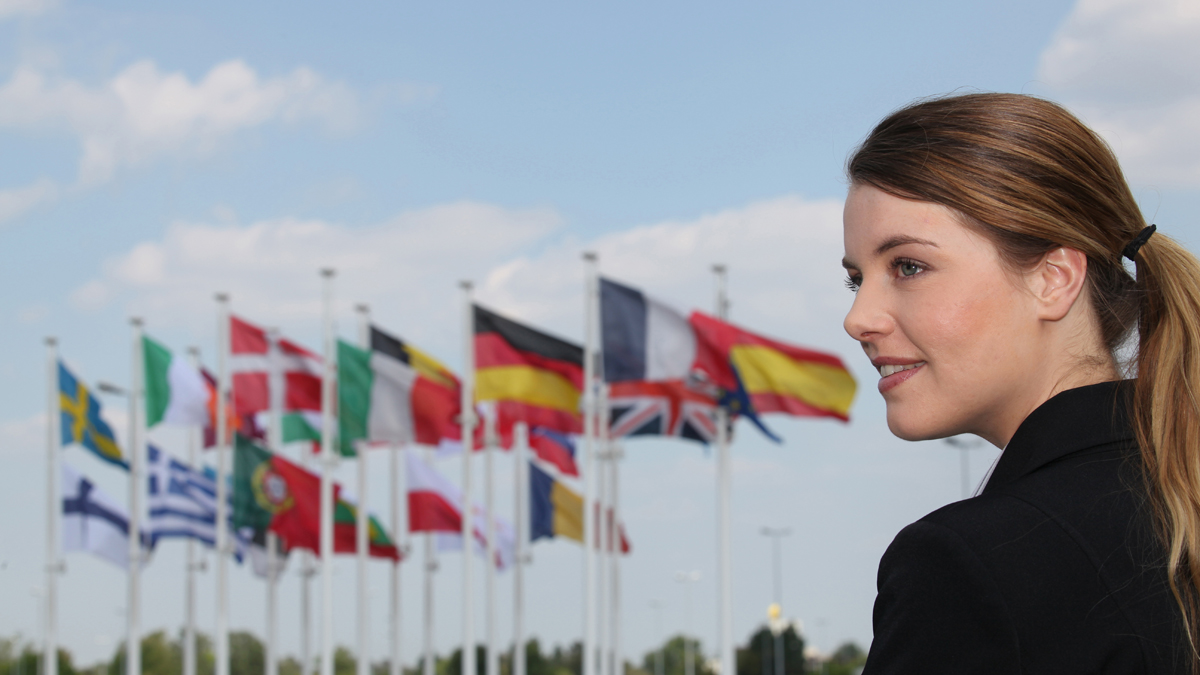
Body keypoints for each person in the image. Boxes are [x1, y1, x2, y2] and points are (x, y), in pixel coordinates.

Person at [840, 93, 1200, 673]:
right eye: (856, 280)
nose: (858, 318)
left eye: (908, 266)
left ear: (1054, 280)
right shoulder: (1170, 500)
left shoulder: (973, 563)